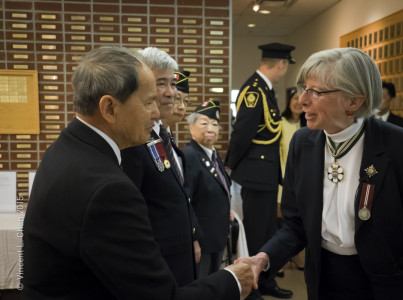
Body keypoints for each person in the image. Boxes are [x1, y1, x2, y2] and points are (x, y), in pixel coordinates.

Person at [22, 46, 253, 299]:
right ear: (109, 108)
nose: (156, 113)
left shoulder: (66, 147)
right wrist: (232, 280)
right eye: (147, 102)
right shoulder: (108, 190)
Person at [236, 47, 403, 300]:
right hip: (325, 280)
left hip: (388, 286)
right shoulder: (302, 143)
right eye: (304, 88)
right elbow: (296, 224)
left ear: (354, 101)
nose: (302, 99)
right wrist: (264, 257)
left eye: (315, 91)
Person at [121, 47, 200, 287]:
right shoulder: (133, 140)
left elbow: (180, 196)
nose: (171, 93)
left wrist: (193, 237)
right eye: (161, 83)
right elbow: (132, 216)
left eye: (173, 83)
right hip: (157, 265)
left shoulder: (163, 136)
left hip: (181, 258)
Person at [226, 42, 294, 300]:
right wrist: (230, 165)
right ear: (281, 63)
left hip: (264, 173)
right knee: (256, 233)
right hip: (255, 173)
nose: (285, 71)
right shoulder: (254, 90)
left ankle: (265, 281)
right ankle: (252, 286)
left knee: (267, 231)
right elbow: (242, 133)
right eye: (286, 66)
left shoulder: (265, 88)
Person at [183, 100, 233, 277]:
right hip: (202, 240)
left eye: (215, 124)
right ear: (191, 128)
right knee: (202, 286)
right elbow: (186, 201)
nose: (210, 128)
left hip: (216, 235)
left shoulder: (212, 153)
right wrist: (194, 239)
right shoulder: (189, 155)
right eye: (204, 123)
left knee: (213, 284)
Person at [277, 87, 306, 273]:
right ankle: (281, 259)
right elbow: (278, 155)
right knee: (284, 220)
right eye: (294, 98)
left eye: (300, 99)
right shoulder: (280, 123)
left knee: (302, 219)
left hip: (305, 182)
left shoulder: (310, 125)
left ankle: (300, 259)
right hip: (284, 181)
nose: (297, 102)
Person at [163, 69, 190, 136]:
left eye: (186, 101)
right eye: (177, 99)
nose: (182, 107)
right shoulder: (146, 134)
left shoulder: (168, 134)